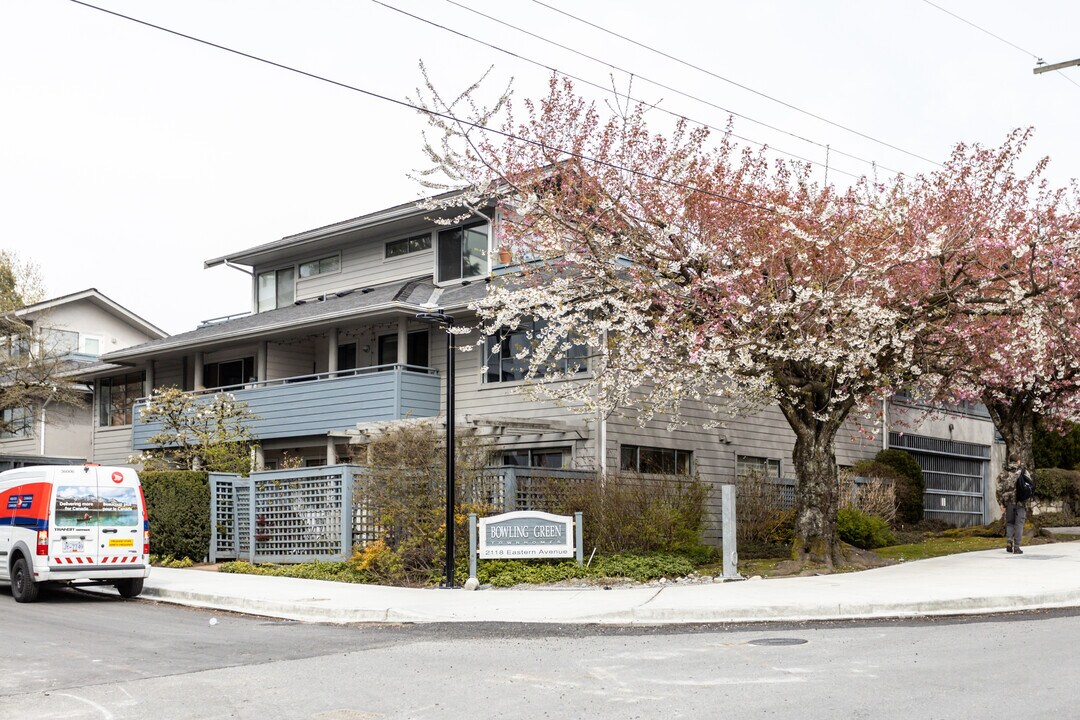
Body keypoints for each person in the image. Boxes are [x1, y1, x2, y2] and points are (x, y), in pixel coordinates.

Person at [1006, 467, 1034, 554]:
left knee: (1010, 522)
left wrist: (1001, 503)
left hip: (1010, 502)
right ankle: (1016, 547)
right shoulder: (1024, 471)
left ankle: (1009, 540)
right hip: (1021, 503)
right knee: (1019, 525)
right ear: (1018, 461)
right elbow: (1030, 485)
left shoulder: (1004, 473)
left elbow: (999, 489)